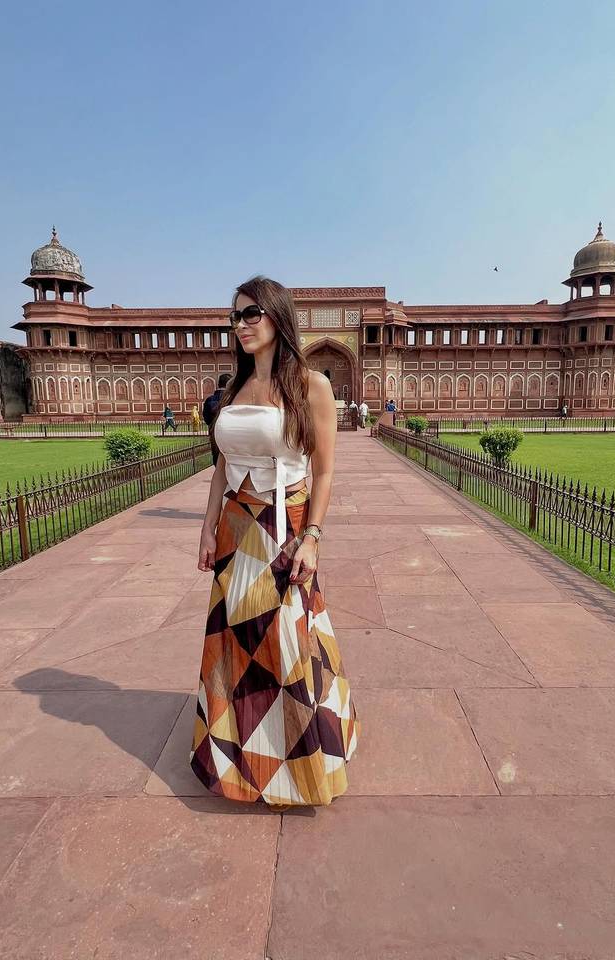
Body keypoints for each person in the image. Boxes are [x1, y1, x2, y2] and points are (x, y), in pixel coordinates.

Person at [190, 275, 361, 809]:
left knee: (286, 643)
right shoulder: (234, 386)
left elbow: (326, 472)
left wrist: (313, 537)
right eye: (235, 317)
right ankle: (237, 761)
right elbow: (222, 464)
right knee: (235, 646)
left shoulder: (311, 385)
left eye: (251, 315)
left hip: (283, 527)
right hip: (236, 528)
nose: (241, 326)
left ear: (277, 317)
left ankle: (299, 767)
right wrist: (207, 524)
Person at [203, 373, 231, 465]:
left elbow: (206, 418)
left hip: (214, 432)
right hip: (230, 433)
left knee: (217, 458)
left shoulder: (210, 400)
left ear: (218, 384)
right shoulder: (233, 399)